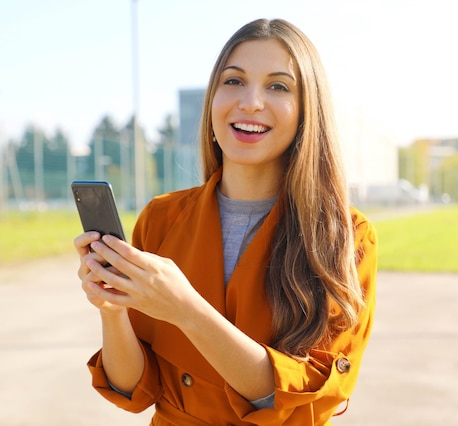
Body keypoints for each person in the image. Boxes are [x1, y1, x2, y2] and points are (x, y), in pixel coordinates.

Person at [74, 18, 377, 425]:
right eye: (233, 81)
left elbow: (301, 400)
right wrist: (111, 310)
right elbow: (134, 388)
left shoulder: (345, 237)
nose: (250, 101)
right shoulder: (161, 219)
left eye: (278, 86)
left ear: (308, 111)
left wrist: (186, 310)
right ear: (213, 99)